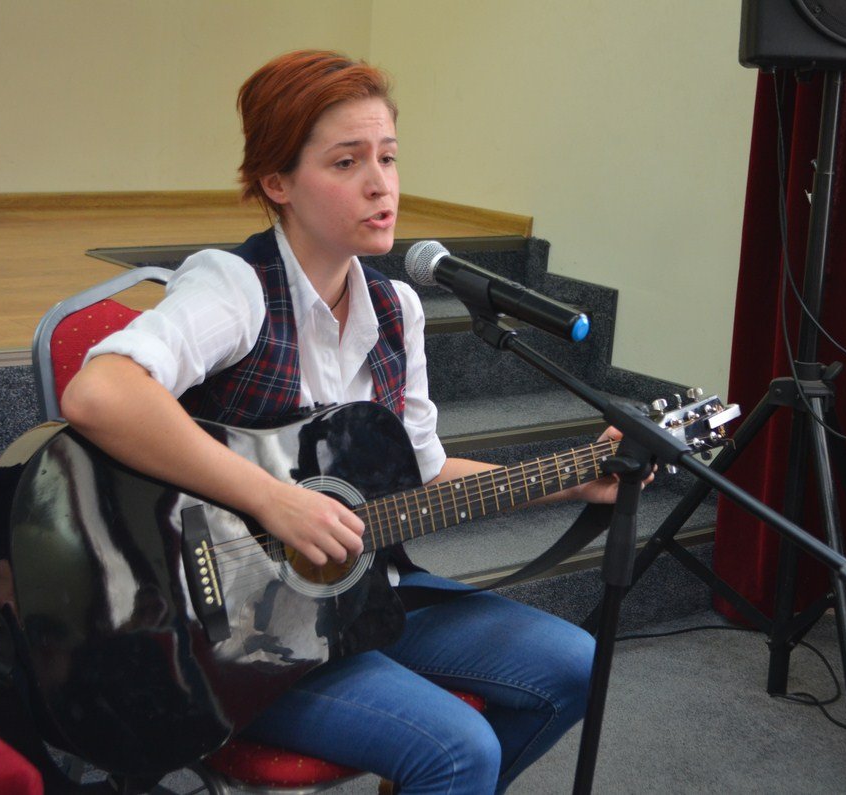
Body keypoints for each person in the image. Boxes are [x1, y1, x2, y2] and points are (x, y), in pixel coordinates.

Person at [61, 50, 626, 793]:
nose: (380, 184)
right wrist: (274, 499)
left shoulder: (397, 308)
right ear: (278, 183)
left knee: (577, 665)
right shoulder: (235, 288)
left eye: (388, 157)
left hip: (368, 600)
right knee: (459, 749)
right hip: (235, 633)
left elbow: (424, 475)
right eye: (346, 161)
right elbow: (99, 394)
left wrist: (573, 481)